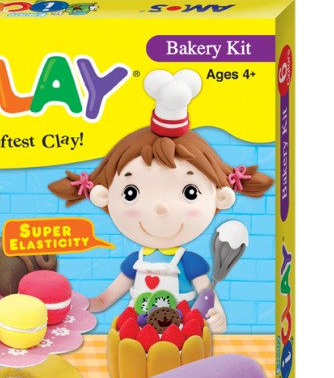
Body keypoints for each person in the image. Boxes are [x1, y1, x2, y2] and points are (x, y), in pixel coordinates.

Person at [49, 70, 272, 333]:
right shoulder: (135, 261)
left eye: (190, 192)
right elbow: (104, 300)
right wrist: (79, 305)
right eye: (131, 193)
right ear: (103, 196)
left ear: (220, 198)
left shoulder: (189, 262)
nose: (161, 207)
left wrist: (217, 314)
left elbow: (207, 298)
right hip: (136, 333)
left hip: (182, 332)